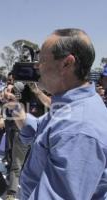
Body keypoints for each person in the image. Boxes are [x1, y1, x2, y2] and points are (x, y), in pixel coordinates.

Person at [6, 28, 107, 199]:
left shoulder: (78, 129)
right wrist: (16, 108)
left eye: (42, 60)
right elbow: (41, 129)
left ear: (67, 63)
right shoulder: (72, 105)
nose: (36, 66)